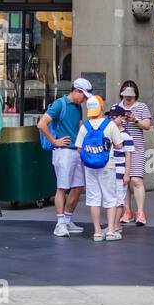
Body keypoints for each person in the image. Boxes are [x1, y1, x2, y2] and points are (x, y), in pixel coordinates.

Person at [36, 77, 92, 237]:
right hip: (64, 152)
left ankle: (66, 220)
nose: (84, 99)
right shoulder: (60, 104)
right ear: (76, 91)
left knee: (78, 187)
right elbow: (41, 124)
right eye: (83, 95)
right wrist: (55, 141)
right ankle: (60, 223)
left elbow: (79, 126)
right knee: (62, 187)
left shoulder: (77, 106)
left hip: (75, 151)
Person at [76, 96, 126, 242]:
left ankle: (97, 232)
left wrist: (91, 155)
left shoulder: (84, 127)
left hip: (90, 167)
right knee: (110, 198)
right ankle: (110, 231)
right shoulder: (110, 125)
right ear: (101, 108)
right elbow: (119, 145)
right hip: (107, 166)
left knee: (93, 198)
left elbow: (79, 149)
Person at [116, 81, 152, 226]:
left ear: (136, 94)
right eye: (126, 95)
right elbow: (110, 124)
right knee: (124, 182)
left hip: (136, 147)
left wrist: (135, 119)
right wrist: (119, 120)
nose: (128, 98)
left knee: (136, 180)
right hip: (120, 148)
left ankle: (140, 213)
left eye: (131, 95)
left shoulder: (142, 106)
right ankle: (127, 211)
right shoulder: (117, 107)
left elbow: (147, 126)